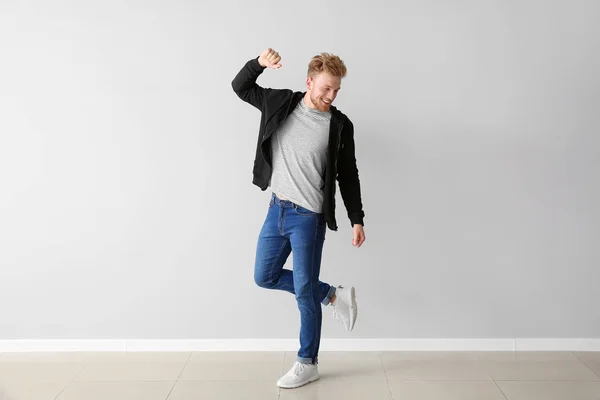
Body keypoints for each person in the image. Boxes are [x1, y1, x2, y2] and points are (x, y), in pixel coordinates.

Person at [231, 48, 366, 389]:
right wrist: (259, 64)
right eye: (325, 88)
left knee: (304, 292)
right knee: (264, 276)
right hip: (276, 208)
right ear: (309, 82)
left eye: (336, 90)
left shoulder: (339, 124)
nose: (331, 95)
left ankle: (308, 362)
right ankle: (333, 295)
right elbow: (241, 86)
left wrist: (356, 218)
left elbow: (347, 174)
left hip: (308, 218)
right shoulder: (281, 103)